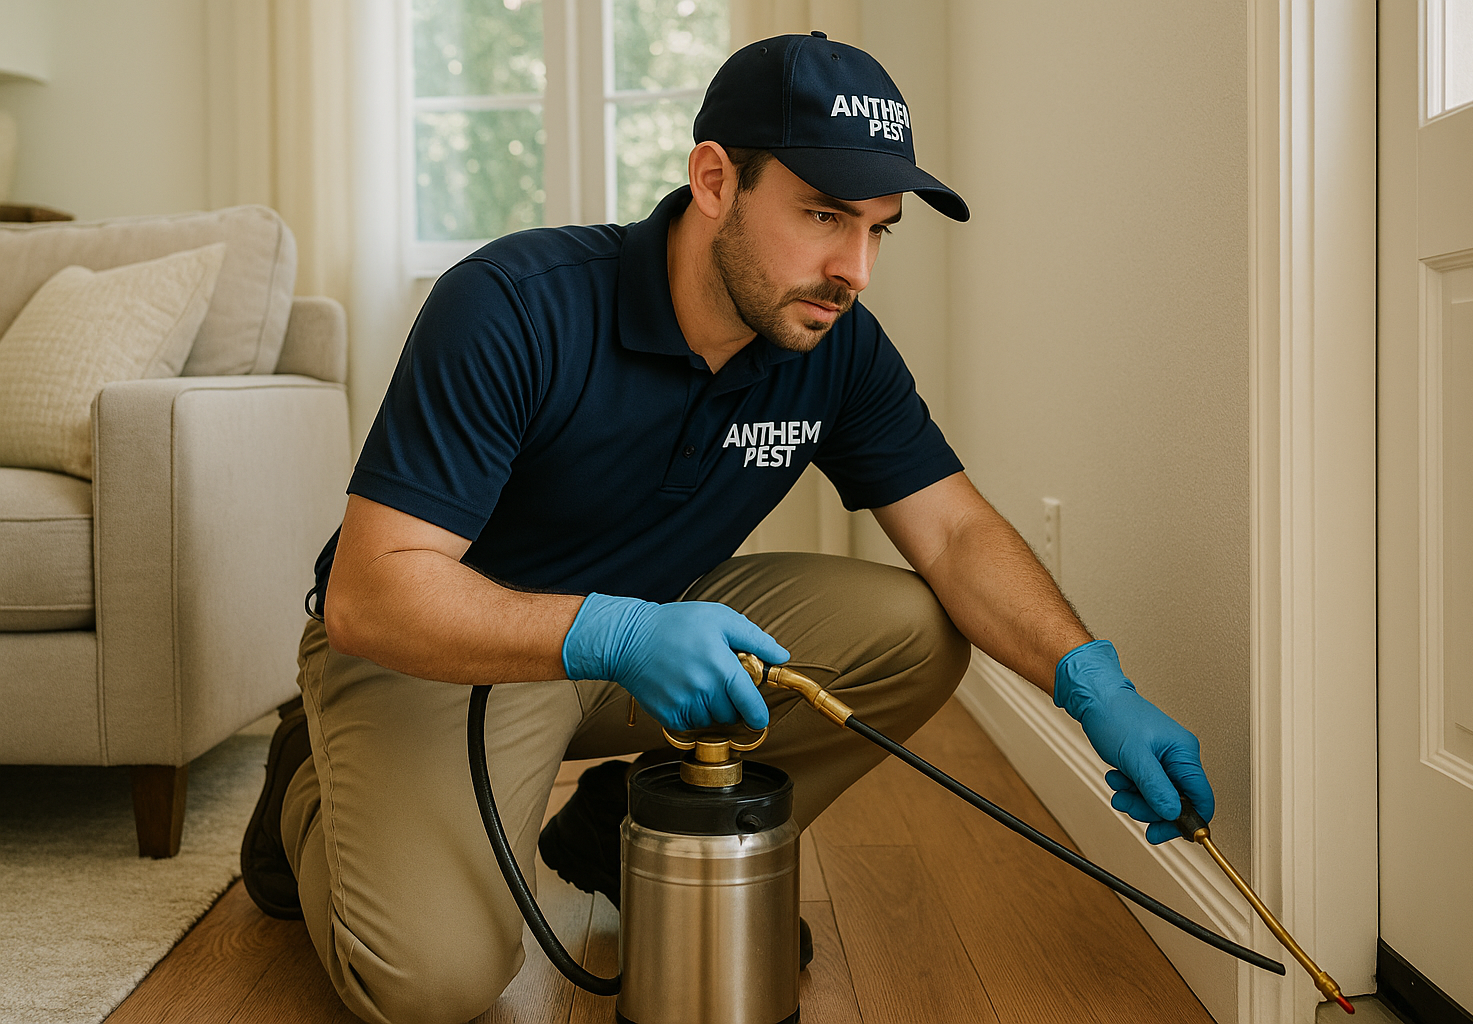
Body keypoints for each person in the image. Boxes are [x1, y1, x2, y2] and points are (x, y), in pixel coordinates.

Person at [240, 31, 1216, 1024]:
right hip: (439, 648)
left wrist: (1096, 684)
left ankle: (637, 832)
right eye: (825, 216)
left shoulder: (833, 343)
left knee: (916, 631)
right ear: (715, 180)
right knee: (430, 982)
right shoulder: (512, 308)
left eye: (881, 229)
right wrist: (614, 633)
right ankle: (307, 791)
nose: (856, 269)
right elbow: (373, 591)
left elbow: (957, 535)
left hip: (659, 636)